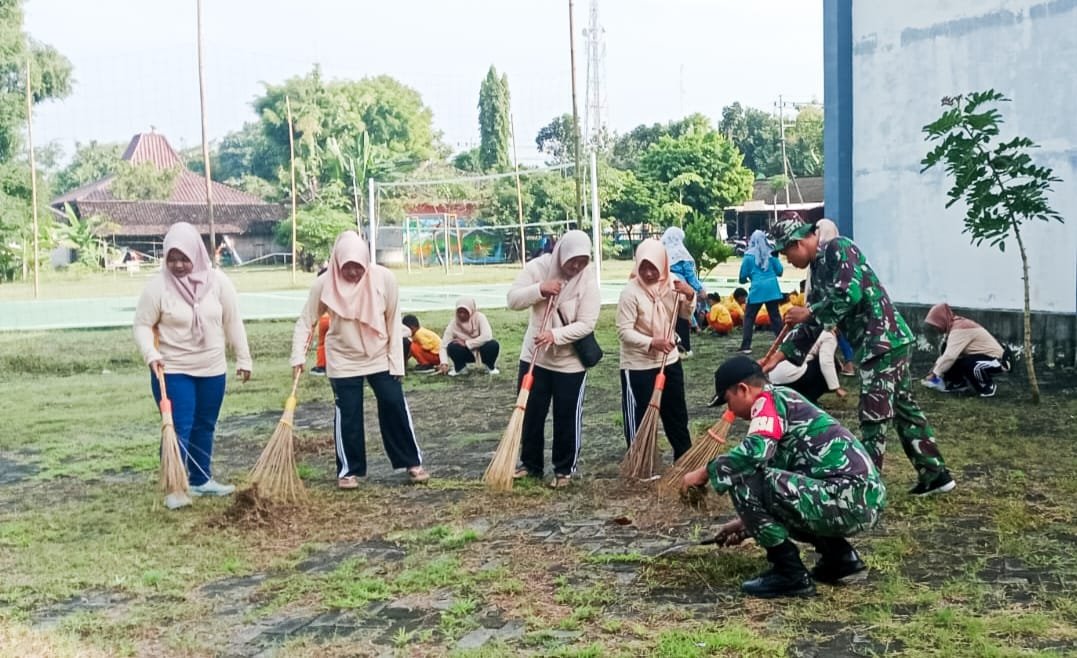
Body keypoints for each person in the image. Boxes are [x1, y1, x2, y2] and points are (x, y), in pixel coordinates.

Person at [764, 216, 954, 496]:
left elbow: (848, 294)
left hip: (883, 342)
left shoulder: (839, 248)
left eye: (786, 252)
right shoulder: (817, 271)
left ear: (799, 242)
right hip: (883, 344)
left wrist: (810, 312)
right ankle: (936, 475)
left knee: (873, 416)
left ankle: (865, 486)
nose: (787, 260)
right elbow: (813, 326)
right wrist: (776, 358)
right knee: (904, 411)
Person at [682, 356, 885, 598]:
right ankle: (840, 557)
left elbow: (755, 455)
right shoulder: (784, 399)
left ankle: (789, 573)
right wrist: (747, 524)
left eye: (728, 401)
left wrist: (705, 472)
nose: (730, 411)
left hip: (845, 498)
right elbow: (781, 491)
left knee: (744, 477)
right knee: (764, 482)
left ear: (743, 389)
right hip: (858, 500)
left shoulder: (767, 402)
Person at [291, 231, 429, 488]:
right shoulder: (324, 284)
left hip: (379, 354)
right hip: (343, 358)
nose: (353, 272)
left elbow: (393, 320)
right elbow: (306, 321)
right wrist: (297, 355)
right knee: (349, 412)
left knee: (394, 404)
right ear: (337, 262)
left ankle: (411, 461)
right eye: (347, 267)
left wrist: (396, 362)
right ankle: (348, 470)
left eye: (358, 267)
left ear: (366, 262)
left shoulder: (384, 278)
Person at [133, 222, 252, 510]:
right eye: (171, 258)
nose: (178, 265)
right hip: (172, 369)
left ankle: (200, 479)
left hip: (212, 368)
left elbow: (232, 321)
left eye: (184, 258)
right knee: (177, 427)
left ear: (197, 254)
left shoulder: (219, 282)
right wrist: (150, 353)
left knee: (205, 425)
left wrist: (244, 357)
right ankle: (175, 486)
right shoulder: (157, 287)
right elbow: (142, 325)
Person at [507, 230, 601, 489]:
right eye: (573, 260)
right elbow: (512, 299)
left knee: (566, 417)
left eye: (583, 261)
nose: (576, 267)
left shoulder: (587, 279)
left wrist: (555, 335)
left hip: (570, 363)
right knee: (531, 413)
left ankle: (564, 469)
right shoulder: (538, 268)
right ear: (562, 254)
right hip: (534, 357)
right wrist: (540, 289)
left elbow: (587, 323)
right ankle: (530, 465)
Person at [616, 239, 695, 462]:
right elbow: (624, 332)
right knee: (640, 417)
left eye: (653, 267)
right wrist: (652, 342)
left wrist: (689, 296)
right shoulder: (630, 293)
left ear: (663, 264)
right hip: (638, 365)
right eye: (644, 267)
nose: (649, 273)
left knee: (676, 414)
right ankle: (641, 461)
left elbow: (685, 315)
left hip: (669, 360)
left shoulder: (674, 284)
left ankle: (684, 459)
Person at [921, 303, 1009, 397]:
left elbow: (950, 356)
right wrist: (934, 369)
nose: (935, 329)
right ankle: (958, 384)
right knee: (956, 360)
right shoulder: (954, 327)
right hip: (983, 357)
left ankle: (987, 388)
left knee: (970, 365)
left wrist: (935, 374)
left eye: (935, 325)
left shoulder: (959, 329)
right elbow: (945, 354)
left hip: (999, 360)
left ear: (942, 320)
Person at [661, 227, 706, 357]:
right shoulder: (681, 254)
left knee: (667, 321)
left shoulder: (661, 253)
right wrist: (700, 289)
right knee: (682, 318)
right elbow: (690, 276)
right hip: (680, 288)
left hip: (663, 288)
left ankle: (668, 348)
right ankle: (684, 349)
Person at [768, 331, 847, 404]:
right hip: (793, 376)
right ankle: (809, 398)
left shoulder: (798, 328)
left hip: (775, 378)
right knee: (834, 365)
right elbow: (826, 362)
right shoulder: (829, 335)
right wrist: (836, 388)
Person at [738, 230, 785, 353]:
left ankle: (746, 346)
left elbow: (742, 276)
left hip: (757, 290)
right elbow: (780, 271)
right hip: (772, 289)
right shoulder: (771, 255)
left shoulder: (748, 257)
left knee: (749, 317)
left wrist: (746, 280)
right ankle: (783, 343)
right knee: (775, 317)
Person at [437, 297, 501, 376]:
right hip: (465, 353)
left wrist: (467, 343)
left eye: (465, 312)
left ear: (471, 311)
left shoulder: (480, 317)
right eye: (459, 312)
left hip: (481, 350)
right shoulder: (453, 323)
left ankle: (490, 367)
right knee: (452, 346)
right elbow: (444, 345)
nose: (462, 315)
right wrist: (444, 363)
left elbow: (487, 336)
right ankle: (460, 368)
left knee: (492, 345)